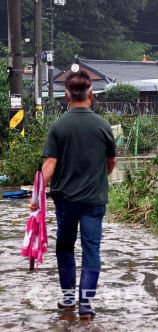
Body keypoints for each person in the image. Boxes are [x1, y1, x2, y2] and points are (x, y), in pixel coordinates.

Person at [31, 69, 116, 320]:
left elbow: (48, 166)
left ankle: (68, 301)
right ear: (91, 94)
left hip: (65, 201)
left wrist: (36, 197)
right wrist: (98, 179)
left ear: (66, 96)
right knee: (92, 249)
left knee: (65, 246)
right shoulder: (103, 126)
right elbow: (111, 162)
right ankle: (86, 306)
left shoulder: (59, 126)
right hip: (94, 200)